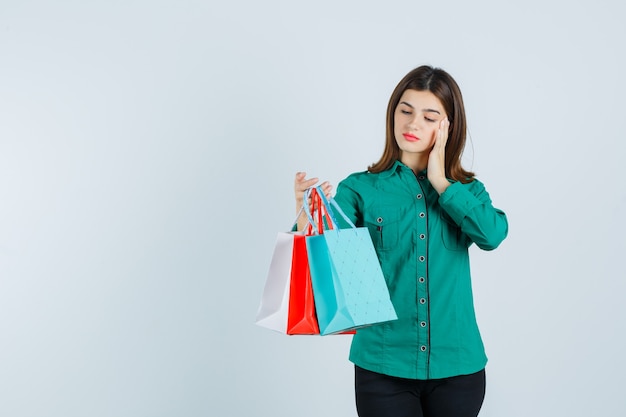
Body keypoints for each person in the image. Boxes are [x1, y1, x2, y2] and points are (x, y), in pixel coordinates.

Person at [293, 65, 508, 417]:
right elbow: (325, 261)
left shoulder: (466, 191)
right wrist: (305, 212)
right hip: (382, 366)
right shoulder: (359, 188)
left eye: (429, 116)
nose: (412, 124)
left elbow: (492, 235)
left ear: (447, 125)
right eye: (405, 111)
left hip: (458, 367)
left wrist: (441, 182)